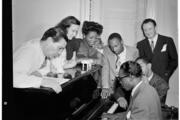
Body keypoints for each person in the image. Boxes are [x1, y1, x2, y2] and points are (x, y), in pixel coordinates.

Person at [13, 27, 68, 93]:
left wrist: (36, 74)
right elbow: (13, 78)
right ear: (49, 40)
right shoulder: (29, 50)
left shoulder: (40, 47)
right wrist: (42, 81)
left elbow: (27, 68)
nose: (60, 53)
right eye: (59, 48)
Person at [101, 33, 139, 109]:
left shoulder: (134, 51)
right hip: (113, 85)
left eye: (116, 46)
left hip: (127, 85)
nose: (114, 50)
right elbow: (105, 69)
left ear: (122, 42)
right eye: (111, 47)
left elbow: (136, 72)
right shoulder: (106, 50)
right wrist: (105, 87)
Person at [137, 18, 178, 83]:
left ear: (155, 28)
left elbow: (174, 60)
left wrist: (166, 74)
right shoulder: (140, 44)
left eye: (150, 29)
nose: (147, 32)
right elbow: (141, 63)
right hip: (147, 81)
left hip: (162, 80)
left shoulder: (168, 40)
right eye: (145, 30)